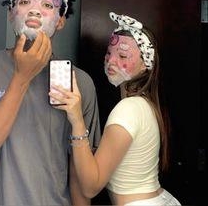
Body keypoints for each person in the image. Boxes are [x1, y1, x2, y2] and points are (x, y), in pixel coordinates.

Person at [0, 0, 101, 206]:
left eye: (47, 5)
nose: (34, 9)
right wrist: (22, 76)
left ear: (61, 21)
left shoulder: (80, 83)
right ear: (11, 13)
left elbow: (80, 176)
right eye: (24, 1)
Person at [50, 11, 181, 205]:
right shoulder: (145, 104)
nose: (111, 61)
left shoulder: (128, 109)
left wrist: (77, 120)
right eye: (109, 53)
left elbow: (90, 187)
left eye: (122, 55)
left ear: (146, 64)